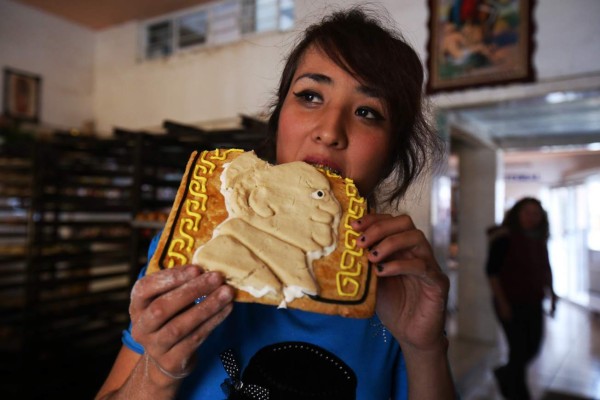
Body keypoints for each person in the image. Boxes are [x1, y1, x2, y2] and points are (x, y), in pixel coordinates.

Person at [96, 7, 456, 400]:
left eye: (367, 112)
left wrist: (425, 348)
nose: (330, 131)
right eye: (310, 96)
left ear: (392, 153)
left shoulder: (397, 289)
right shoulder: (190, 255)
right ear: (278, 118)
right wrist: (158, 370)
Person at [486, 197, 558, 400]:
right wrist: (503, 303)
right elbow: (492, 272)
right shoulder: (503, 237)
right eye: (527, 212)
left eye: (536, 213)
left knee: (533, 347)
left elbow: (546, 268)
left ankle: (504, 375)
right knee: (518, 352)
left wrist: (552, 294)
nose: (531, 217)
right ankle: (519, 393)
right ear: (517, 214)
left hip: (533, 302)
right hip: (510, 303)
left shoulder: (538, 238)